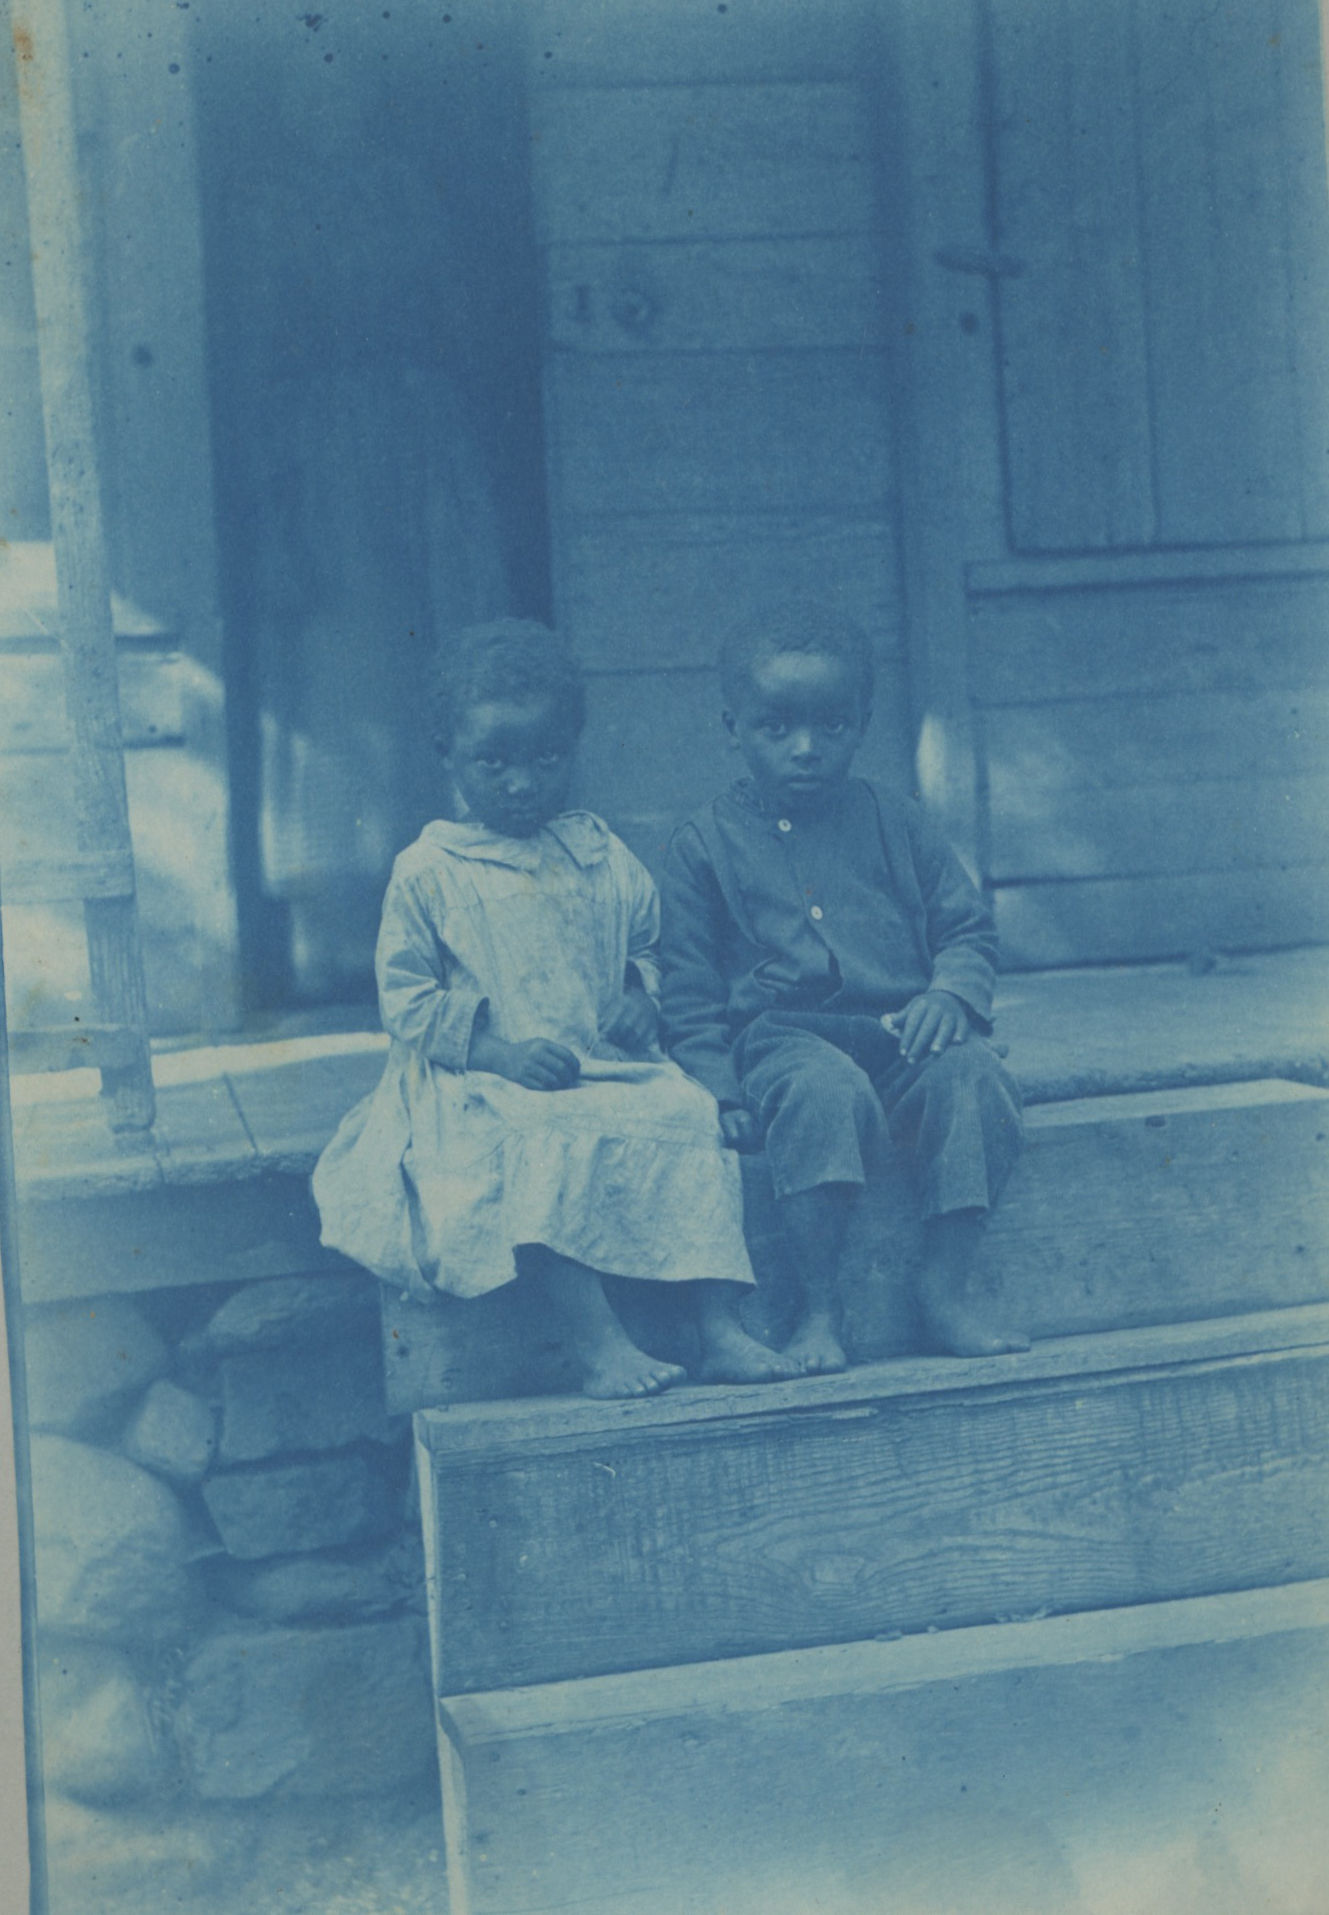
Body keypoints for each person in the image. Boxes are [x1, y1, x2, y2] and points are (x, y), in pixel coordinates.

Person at [313, 618, 798, 1398]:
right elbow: (409, 1000)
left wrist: (640, 994)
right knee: (535, 1139)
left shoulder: (597, 853)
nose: (521, 783)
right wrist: (498, 1053)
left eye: (546, 759)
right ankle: (597, 1342)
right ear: (447, 753)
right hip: (480, 1079)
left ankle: (718, 1326)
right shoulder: (430, 871)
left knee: (686, 1113)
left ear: (572, 750)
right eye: (493, 762)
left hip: (603, 1064)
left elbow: (651, 942)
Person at [660, 603, 1030, 1374]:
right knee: (822, 1092)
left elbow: (965, 929)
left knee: (975, 1076)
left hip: (900, 1034)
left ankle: (942, 1287)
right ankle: (820, 1308)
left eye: (830, 726)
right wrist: (718, 1090)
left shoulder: (898, 821)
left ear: (860, 724)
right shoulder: (703, 844)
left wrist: (949, 996)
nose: (805, 748)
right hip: (783, 1041)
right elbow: (687, 989)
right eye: (775, 727)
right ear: (732, 727)